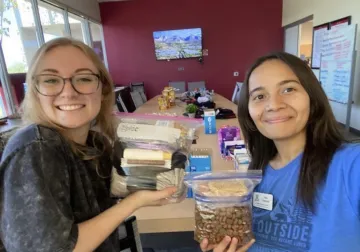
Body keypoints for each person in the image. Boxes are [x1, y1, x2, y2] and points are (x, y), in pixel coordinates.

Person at [0, 38, 176, 252]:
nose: (68, 92)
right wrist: (134, 202)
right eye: (51, 80)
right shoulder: (36, 148)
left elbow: (121, 191)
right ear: (35, 91)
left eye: (83, 78)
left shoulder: (95, 144)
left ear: (102, 90)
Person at [200, 52, 360, 252]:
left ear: (312, 97)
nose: (274, 105)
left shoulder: (350, 165)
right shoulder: (255, 174)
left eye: (288, 89)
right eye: (259, 96)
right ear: (248, 111)